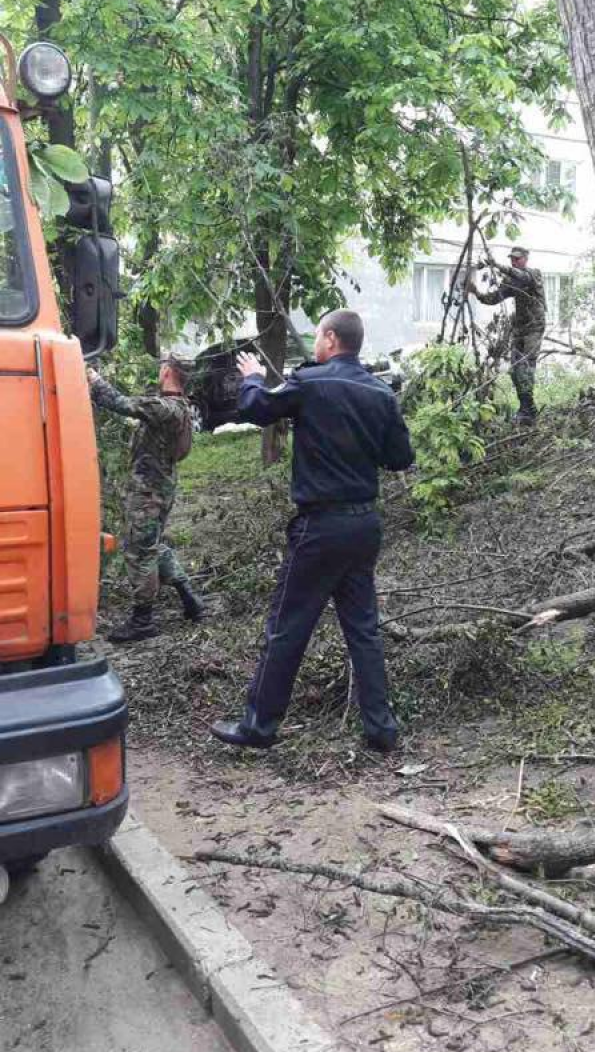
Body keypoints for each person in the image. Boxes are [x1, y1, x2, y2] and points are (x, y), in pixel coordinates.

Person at [210, 310, 415, 755]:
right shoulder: (381, 394)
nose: (315, 343)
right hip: (364, 524)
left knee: (287, 626)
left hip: (320, 527)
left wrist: (252, 377)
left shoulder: (310, 382)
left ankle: (258, 726)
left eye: (318, 335)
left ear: (330, 339)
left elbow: (255, 408)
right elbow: (400, 458)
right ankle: (382, 729)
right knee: (363, 629)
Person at [87, 359, 204, 643]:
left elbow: (121, 402)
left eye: (162, 365)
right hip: (159, 488)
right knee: (151, 545)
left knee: (139, 553)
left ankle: (143, 620)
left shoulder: (165, 408)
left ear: (167, 372)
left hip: (148, 492)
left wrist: (93, 379)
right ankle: (190, 599)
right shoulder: (179, 408)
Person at [466, 245, 546, 424]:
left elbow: (523, 277)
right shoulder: (511, 281)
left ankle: (527, 409)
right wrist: (476, 292)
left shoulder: (533, 274)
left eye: (517, 259)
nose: (514, 261)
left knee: (526, 366)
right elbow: (494, 298)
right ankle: (527, 407)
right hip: (519, 328)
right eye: (512, 259)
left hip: (534, 327)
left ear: (525, 259)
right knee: (515, 369)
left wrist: (496, 265)